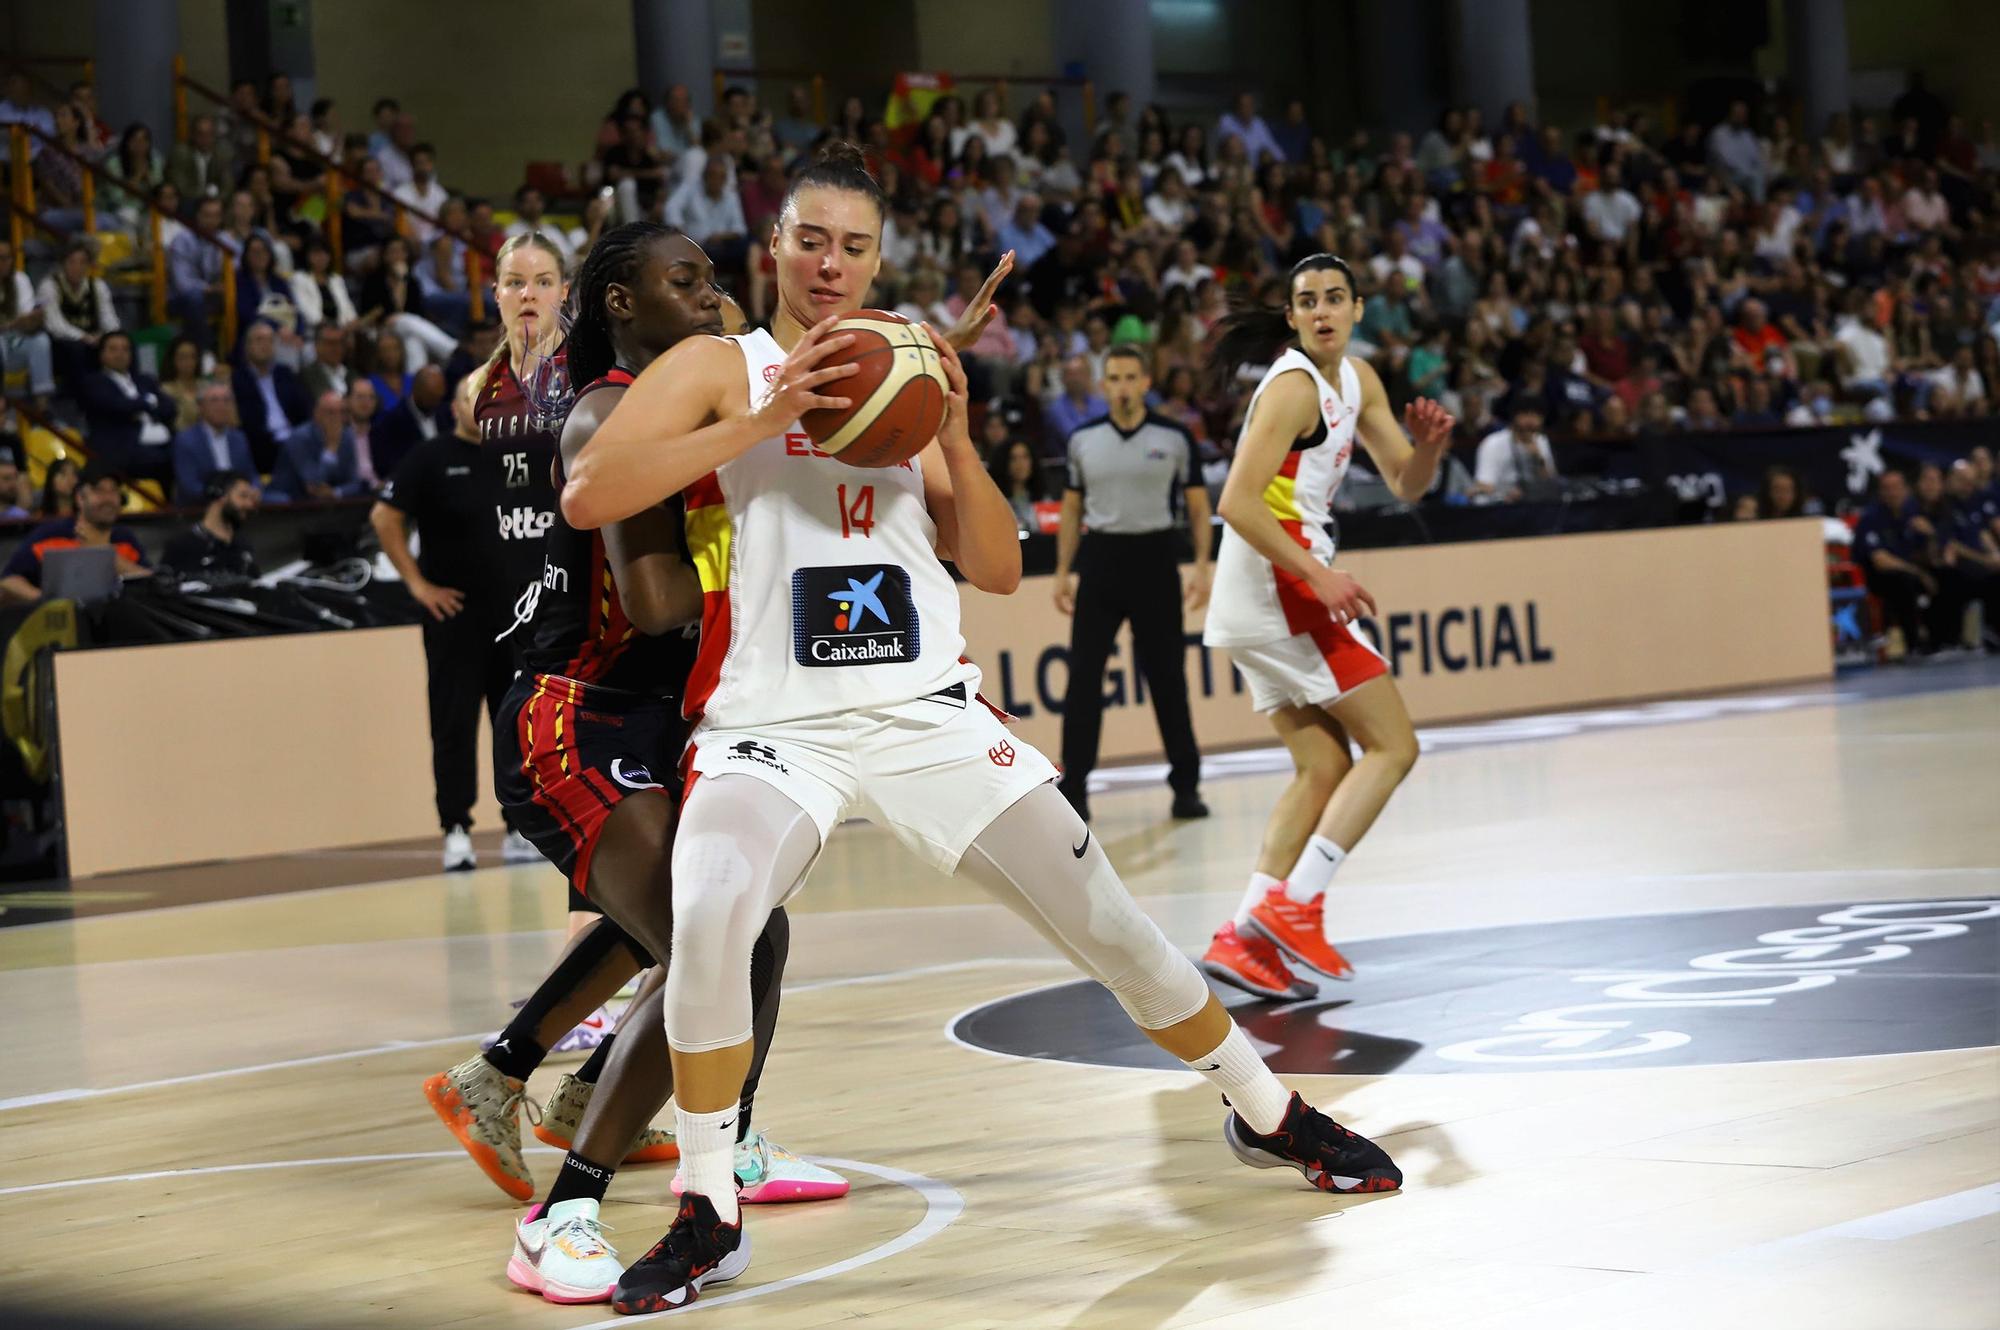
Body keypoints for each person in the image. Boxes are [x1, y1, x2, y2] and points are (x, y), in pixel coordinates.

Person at [560, 143, 1404, 1314]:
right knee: (707, 914)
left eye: (854, 245)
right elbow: (590, 488)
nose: (830, 264)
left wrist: (949, 430)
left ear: (877, 256)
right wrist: (759, 422)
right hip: (772, 724)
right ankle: (710, 1210)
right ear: (774, 246)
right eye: (810, 239)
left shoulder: (912, 359)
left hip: (924, 711)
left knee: (1106, 918)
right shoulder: (720, 364)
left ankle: (1267, 1110)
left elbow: (999, 566)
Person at [443, 227, 842, 1305]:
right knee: (715, 937)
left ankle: (549, 1089)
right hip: (575, 713)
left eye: (715, 280)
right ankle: (569, 1202)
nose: (712, 299)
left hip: (651, 711)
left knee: (714, 924)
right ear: (619, 300)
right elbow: (660, 602)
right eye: (686, 281)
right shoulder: (610, 408)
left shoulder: (687, 405)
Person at [1198, 254, 1454, 999]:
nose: (1322, 312)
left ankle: (1245, 935)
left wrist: (1430, 448)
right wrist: (1319, 574)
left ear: (1359, 308)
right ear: (1292, 316)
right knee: (1394, 745)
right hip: (1281, 583)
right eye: (1307, 301)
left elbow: (1406, 483)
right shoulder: (1291, 386)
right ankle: (1298, 903)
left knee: (1323, 765)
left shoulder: (1360, 379)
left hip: (1266, 594)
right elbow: (1237, 502)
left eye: (1334, 298)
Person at [1052, 344, 1212, 823]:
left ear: (1146, 382)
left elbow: (1199, 507)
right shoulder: (1083, 439)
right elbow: (1072, 509)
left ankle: (1186, 786)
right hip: (1101, 558)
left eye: (1130, 377)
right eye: (1114, 378)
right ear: (1104, 386)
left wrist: (1202, 564)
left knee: (1167, 678)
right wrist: (1063, 571)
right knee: (1083, 678)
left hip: (1156, 557)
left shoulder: (1175, 436)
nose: (1122, 386)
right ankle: (1075, 787)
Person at [463, 233, 570, 870]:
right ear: (496, 294)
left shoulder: (585, 369)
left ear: (564, 291)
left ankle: (588, 917)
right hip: (511, 585)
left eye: (542, 281)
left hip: (575, 575)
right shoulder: (479, 386)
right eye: (515, 282)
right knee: (519, 742)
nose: (528, 294)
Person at [0, 463, 151, 605]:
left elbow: (151, 583)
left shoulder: (125, 538)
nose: (108, 499)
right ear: (79, 498)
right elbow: (8, 579)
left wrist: (102, 552)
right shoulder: (52, 534)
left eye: (114, 491)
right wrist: (46, 603)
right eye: (99, 490)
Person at [77, 331, 177, 483]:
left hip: (160, 440)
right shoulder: (95, 382)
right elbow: (118, 407)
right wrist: (147, 402)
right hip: (123, 447)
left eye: (125, 349)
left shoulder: (145, 380)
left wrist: (142, 405)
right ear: (101, 354)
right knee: (161, 459)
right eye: (113, 349)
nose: (120, 354)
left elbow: (169, 407)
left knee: (187, 450)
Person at [231, 321, 311, 471]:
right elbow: (246, 421)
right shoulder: (238, 379)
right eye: (259, 340)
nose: (265, 345)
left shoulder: (285, 374)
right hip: (262, 444)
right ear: (247, 347)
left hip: (292, 439)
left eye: (270, 340)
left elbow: (303, 410)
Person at [37, 240, 118, 389]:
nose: (77, 267)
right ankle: (81, 396)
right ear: (63, 264)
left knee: (123, 342)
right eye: (72, 262)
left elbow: (109, 317)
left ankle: (126, 389)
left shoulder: (97, 285)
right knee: (76, 349)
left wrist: (108, 335)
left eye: (83, 262)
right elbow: (55, 324)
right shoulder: (49, 286)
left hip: (94, 338)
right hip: (62, 343)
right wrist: (83, 337)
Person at [160, 469, 260, 580]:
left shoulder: (244, 545)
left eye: (250, 498)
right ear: (220, 495)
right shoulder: (181, 545)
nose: (249, 504)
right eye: (243, 496)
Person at [268, 390, 366, 502]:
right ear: (317, 413)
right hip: (288, 503)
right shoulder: (299, 438)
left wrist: (335, 492)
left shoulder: (347, 436)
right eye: (330, 412)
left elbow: (355, 483)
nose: (337, 418)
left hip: (326, 506)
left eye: (342, 412)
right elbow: (314, 484)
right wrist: (331, 448)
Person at [172, 379, 258, 504]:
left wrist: (254, 490)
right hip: (200, 506)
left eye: (226, 400)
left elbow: (252, 474)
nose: (221, 406)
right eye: (214, 400)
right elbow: (189, 486)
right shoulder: (185, 440)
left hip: (240, 502)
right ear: (201, 407)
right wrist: (225, 497)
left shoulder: (239, 438)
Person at [0, 238, 55, 408]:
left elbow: (25, 316)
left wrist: (33, 319)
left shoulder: (19, 279)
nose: (2, 263)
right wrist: (13, 323)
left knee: (40, 341)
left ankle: (42, 408)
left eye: (6, 258)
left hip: (15, 341)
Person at [370, 363, 447, 482]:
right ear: (416, 390)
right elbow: (386, 466)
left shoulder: (446, 415)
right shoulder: (390, 422)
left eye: (439, 397)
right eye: (431, 397)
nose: (435, 402)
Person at [1472, 399, 1558, 502]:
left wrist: (1539, 459)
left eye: (1536, 416)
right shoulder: (1492, 444)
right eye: (1526, 415)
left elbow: (1551, 485)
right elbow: (1483, 486)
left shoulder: (1541, 441)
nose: (1531, 421)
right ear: (1514, 417)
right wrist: (1505, 494)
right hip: (1500, 506)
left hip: (1535, 506)